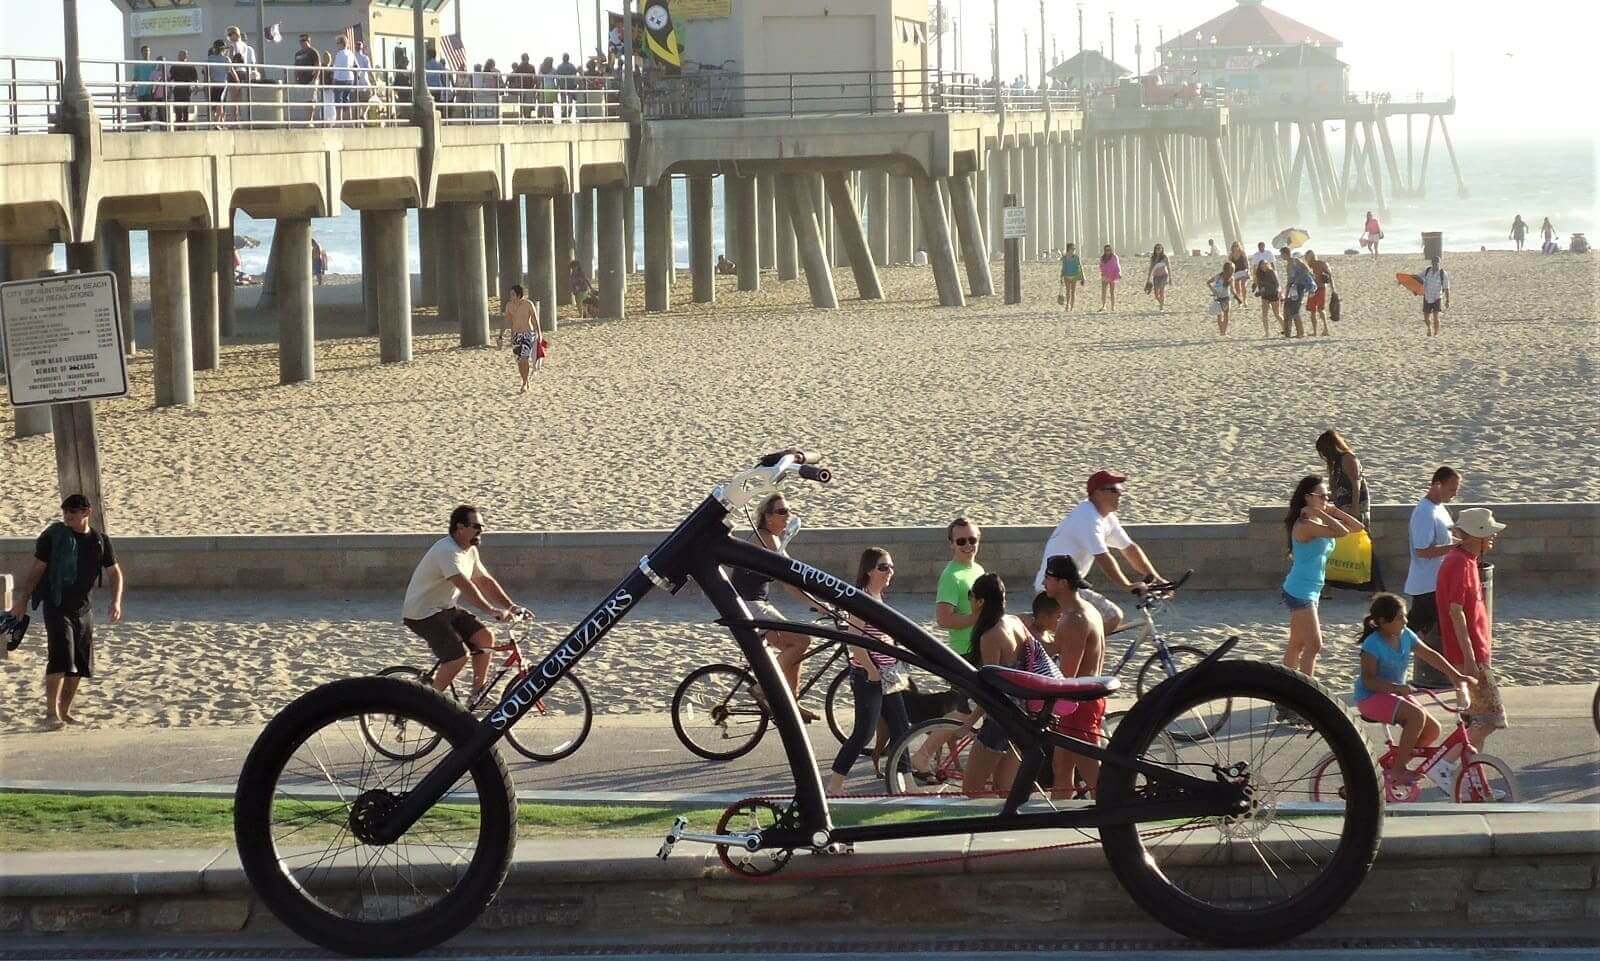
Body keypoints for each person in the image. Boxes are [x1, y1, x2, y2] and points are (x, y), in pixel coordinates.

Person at [7, 495, 125, 728]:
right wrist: (22, 600)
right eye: (65, 510)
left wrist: (116, 601)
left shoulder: (100, 541)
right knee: (60, 658)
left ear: (87, 512)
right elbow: (36, 571)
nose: (68, 514)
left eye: (73, 510)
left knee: (79, 664)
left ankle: (65, 711)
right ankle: (51, 714)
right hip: (56, 605)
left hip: (83, 609)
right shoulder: (54, 537)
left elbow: (115, 573)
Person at [401, 505, 528, 700]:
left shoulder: (469, 550)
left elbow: (485, 581)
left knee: (485, 638)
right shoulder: (446, 551)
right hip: (422, 614)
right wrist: (491, 610)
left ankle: (477, 695)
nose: (481, 530)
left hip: (446, 608)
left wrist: (511, 606)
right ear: (460, 528)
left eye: (483, 526)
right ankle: (427, 704)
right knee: (458, 657)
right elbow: (465, 585)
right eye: (476, 526)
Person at [1353, 593, 1478, 786]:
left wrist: (1457, 677)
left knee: (1432, 730)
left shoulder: (1406, 636)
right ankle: (1399, 770)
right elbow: (1369, 681)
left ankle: (1395, 765)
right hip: (1371, 697)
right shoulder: (1372, 645)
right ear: (1383, 622)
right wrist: (1396, 688)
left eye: (1404, 615)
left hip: (1394, 694)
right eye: (1400, 617)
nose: (1405, 620)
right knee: (1416, 717)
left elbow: (1430, 655)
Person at [825, 548, 912, 795]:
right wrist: (873, 671)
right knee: (863, 733)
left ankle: (908, 784)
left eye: (891, 566)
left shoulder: (876, 596)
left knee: (901, 728)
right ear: (869, 571)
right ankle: (835, 785)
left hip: (888, 674)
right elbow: (855, 640)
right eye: (883, 567)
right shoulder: (862, 600)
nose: (889, 571)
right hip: (869, 676)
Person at [1034, 470, 1163, 636]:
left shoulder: (1107, 518)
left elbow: (1129, 549)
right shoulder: (1087, 517)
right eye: (1115, 490)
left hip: (1070, 585)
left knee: (1100, 623)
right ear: (1098, 493)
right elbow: (1103, 557)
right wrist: (1127, 585)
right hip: (1054, 588)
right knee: (1113, 616)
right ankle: (1080, 657)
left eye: (1121, 491)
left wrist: (1158, 579)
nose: (1120, 495)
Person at [910, 517, 987, 775]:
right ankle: (922, 756)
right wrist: (976, 618)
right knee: (965, 712)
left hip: (982, 649)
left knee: (982, 711)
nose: (967, 545)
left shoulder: (977, 570)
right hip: (965, 653)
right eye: (961, 541)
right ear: (951, 544)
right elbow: (943, 619)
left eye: (972, 540)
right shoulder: (951, 576)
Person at [730, 494, 816, 716]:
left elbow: (793, 579)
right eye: (781, 512)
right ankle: (762, 687)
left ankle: (792, 703)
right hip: (750, 605)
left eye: (788, 510)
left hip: (758, 603)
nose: (787, 515)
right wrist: (818, 604)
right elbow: (789, 581)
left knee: (798, 646)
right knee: (801, 641)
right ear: (767, 518)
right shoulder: (766, 539)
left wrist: (816, 602)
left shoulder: (772, 540)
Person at [1436, 508, 1509, 752]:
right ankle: (1446, 765)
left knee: (1473, 721)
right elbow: (1455, 612)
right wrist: (1469, 659)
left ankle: (1471, 780)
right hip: (1469, 655)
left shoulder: (1464, 560)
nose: (1492, 537)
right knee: (1490, 718)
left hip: (1473, 653)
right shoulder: (1459, 563)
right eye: (1488, 532)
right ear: (1475, 535)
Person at [1281, 475, 1364, 682]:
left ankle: (1284, 692)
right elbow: (1342, 531)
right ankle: (1304, 694)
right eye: (1323, 496)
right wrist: (1321, 512)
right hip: (1300, 591)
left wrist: (1332, 511)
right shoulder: (1305, 524)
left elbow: (1357, 528)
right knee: (1314, 645)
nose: (1327, 499)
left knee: (1297, 643)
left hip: (1310, 589)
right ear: (1308, 498)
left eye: (1328, 496)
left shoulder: (1317, 519)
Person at [960, 573, 1032, 798]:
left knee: (971, 791)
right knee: (1004, 789)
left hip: (999, 720)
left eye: (971, 597)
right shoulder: (1015, 623)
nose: (970, 602)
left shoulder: (990, 636)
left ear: (980, 601)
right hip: (1022, 716)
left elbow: (993, 690)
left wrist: (969, 722)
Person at [1041, 556, 1106, 798]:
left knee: (1093, 774)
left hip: (1079, 702)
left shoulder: (1073, 619)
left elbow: (1066, 675)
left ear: (1063, 583)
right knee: (1062, 766)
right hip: (1088, 697)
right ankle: (1059, 821)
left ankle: (1116, 822)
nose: (1044, 582)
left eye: (1048, 577)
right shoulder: (1087, 610)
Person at [1404, 467, 1462, 686]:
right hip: (1426, 584)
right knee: (1410, 630)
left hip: (1438, 583)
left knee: (1418, 629)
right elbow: (1422, 550)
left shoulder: (1440, 509)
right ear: (1437, 484)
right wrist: (1455, 548)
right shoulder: (1424, 512)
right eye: (1452, 488)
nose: (1454, 493)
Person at [1315, 428, 1383, 590]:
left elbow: (1356, 484)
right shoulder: (1335, 464)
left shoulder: (1348, 458)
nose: (1324, 456)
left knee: (1365, 547)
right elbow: (1338, 490)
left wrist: (1354, 508)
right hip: (1342, 508)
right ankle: (1331, 585)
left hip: (1355, 509)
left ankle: (1378, 588)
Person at [502, 284, 544, 392]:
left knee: (524, 359)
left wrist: (539, 333)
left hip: (528, 335)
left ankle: (524, 384)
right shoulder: (509, 306)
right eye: (510, 294)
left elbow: (535, 319)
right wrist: (500, 335)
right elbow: (507, 321)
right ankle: (526, 380)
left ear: (519, 295)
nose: (510, 297)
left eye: (512, 295)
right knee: (520, 362)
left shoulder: (528, 304)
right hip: (516, 336)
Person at [1282, 248, 1316, 338]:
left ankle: (1301, 332)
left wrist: (1297, 279)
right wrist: (1287, 290)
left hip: (1299, 286)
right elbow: (1289, 279)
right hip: (1292, 287)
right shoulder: (1288, 264)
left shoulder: (1295, 261)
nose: (1281, 256)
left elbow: (1307, 270)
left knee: (1295, 309)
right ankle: (1292, 332)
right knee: (1290, 308)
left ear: (1286, 254)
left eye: (1282, 254)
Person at [1416, 256, 1449, 337]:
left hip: (1437, 297)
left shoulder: (1443, 274)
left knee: (1436, 316)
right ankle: (1429, 328)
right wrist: (1405, 280)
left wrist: (1447, 300)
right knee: (1426, 317)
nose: (1435, 265)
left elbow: (1446, 287)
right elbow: (1417, 277)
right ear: (1432, 263)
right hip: (1427, 296)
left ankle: (1436, 333)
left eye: (1437, 263)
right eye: (1434, 263)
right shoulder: (1427, 271)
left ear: (1439, 263)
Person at [293, 35, 321, 123]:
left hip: (310, 80)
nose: (301, 42)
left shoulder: (313, 52)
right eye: (300, 41)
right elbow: (295, 67)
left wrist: (315, 79)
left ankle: (310, 120)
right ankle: (308, 119)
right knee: (305, 101)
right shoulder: (298, 54)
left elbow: (318, 66)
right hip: (301, 81)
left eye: (303, 40)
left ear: (308, 41)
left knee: (311, 100)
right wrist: (295, 79)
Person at [1304, 249, 1333, 336]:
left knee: (1319, 309)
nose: (1307, 258)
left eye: (1307, 256)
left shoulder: (1319, 264)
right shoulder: (1310, 266)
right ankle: (1317, 331)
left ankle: (1324, 329)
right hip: (1315, 289)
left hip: (1319, 288)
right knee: (1314, 310)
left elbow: (1329, 275)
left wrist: (1333, 288)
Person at [331, 36, 357, 122]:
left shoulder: (340, 54)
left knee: (338, 99)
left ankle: (339, 120)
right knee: (346, 99)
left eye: (337, 43)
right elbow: (355, 66)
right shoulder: (351, 53)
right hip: (350, 79)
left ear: (342, 44)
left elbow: (337, 68)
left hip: (340, 78)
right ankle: (349, 120)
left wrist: (334, 80)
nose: (337, 45)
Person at [1254, 258, 1281, 336]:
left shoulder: (1271, 272)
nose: (1263, 266)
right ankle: (1267, 332)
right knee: (1264, 314)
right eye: (1262, 265)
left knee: (1277, 314)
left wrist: (1278, 291)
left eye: (1265, 264)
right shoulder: (1259, 274)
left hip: (1273, 294)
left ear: (1267, 265)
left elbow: (1277, 284)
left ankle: (1285, 329)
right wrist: (1259, 292)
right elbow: (1259, 285)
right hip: (1265, 295)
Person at [132, 46, 157, 124]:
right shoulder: (138, 64)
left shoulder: (153, 64)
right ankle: (148, 124)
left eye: (148, 50)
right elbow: (136, 77)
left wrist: (155, 88)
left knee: (149, 109)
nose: (147, 52)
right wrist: (132, 88)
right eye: (145, 51)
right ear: (142, 52)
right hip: (141, 90)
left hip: (149, 90)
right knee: (141, 110)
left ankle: (148, 127)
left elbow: (156, 76)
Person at [1207, 263, 1232, 336]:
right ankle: (1224, 332)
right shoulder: (1230, 278)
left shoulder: (1218, 276)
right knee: (1225, 315)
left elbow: (1208, 282)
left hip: (1218, 297)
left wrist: (1213, 290)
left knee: (1220, 315)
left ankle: (1222, 332)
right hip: (1226, 297)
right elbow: (1232, 289)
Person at [1058, 243, 1083, 312]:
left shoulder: (1076, 257)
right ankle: (1067, 305)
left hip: (1074, 276)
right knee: (1067, 291)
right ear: (1068, 249)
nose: (1073, 250)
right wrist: (1061, 276)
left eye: (1074, 249)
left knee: (1073, 292)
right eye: (1072, 249)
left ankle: (1072, 307)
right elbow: (1064, 267)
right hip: (1066, 276)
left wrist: (1082, 277)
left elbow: (1080, 267)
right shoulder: (1065, 258)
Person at [1145, 244, 1171, 310]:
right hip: (1156, 276)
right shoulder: (1153, 258)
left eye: (1160, 248)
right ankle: (1161, 303)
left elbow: (1168, 267)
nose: (1158, 250)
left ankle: (1161, 306)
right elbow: (1150, 268)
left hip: (1164, 275)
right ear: (1155, 249)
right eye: (1157, 248)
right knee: (1156, 293)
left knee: (1161, 291)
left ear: (1162, 249)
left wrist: (1170, 278)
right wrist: (1148, 279)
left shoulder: (1165, 257)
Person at [1098, 244, 1121, 311]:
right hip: (1105, 276)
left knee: (1112, 292)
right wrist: (1102, 273)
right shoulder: (1102, 258)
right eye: (1106, 250)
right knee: (1104, 291)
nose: (1107, 251)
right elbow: (1101, 266)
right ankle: (1103, 305)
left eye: (1109, 250)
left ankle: (1113, 306)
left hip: (1113, 275)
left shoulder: (1114, 257)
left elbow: (1117, 265)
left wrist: (1119, 273)